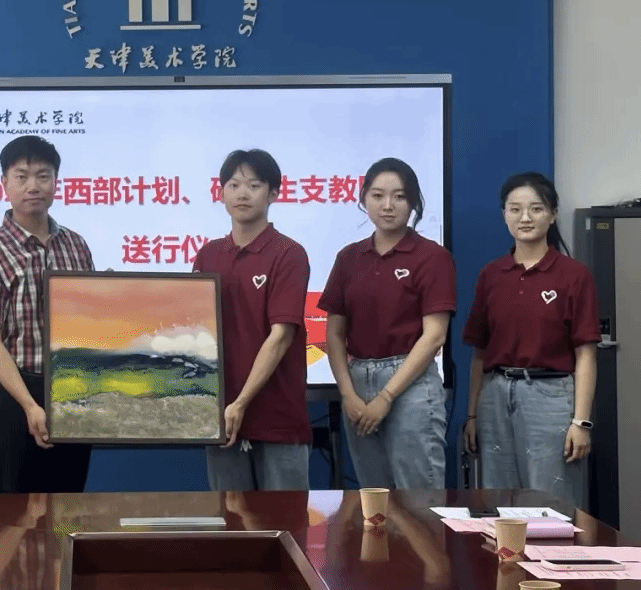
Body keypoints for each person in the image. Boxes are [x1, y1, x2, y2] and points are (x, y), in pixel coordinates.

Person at [0, 136, 94, 493]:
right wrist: (30, 405)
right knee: (14, 512)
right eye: (21, 176)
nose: (33, 186)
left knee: (69, 506)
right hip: (14, 396)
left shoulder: (76, 245)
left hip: (73, 391)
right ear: (4, 183)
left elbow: (89, 325)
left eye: (43, 175)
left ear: (56, 182)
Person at [319, 157, 455, 490]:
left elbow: (435, 336)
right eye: (378, 195)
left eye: (399, 196)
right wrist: (347, 394)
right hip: (357, 385)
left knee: (419, 499)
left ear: (414, 202)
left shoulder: (432, 257)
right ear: (363, 199)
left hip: (411, 384)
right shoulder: (349, 258)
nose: (388, 205)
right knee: (374, 499)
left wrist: (386, 396)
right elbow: (334, 334)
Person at [463, 172, 598, 503]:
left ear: (552, 214)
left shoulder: (573, 275)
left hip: (550, 396)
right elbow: (480, 353)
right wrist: (472, 415)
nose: (525, 218)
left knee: (551, 502)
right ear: (504, 215)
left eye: (536, 209)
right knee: (497, 499)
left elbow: (586, 355)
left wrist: (581, 422)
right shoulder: (491, 275)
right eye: (515, 209)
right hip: (495, 396)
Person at [192, 149, 312, 491]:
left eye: (254, 185)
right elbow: (194, 332)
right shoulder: (208, 255)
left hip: (277, 418)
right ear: (221, 193)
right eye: (233, 185)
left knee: (286, 519)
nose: (242, 194)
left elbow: (281, 336)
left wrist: (241, 402)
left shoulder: (288, 254)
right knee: (230, 521)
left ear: (273, 193)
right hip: (221, 417)